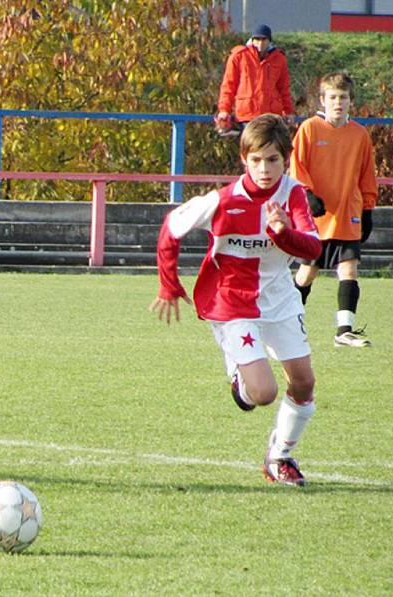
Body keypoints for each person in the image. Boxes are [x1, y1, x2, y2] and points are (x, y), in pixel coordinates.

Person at [149, 114, 322, 486]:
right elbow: (170, 228)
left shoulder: (292, 194)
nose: (264, 169)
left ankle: (280, 458)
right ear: (244, 159)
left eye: (273, 159)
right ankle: (239, 374)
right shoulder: (223, 201)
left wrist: (282, 234)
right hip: (231, 301)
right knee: (261, 393)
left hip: (279, 299)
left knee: (304, 383)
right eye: (256, 160)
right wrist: (168, 284)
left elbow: (313, 247)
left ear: (286, 159)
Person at [291, 73, 378, 348]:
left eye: (343, 97)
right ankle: (287, 324)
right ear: (322, 100)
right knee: (307, 273)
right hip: (317, 217)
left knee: (349, 269)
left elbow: (367, 174)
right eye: (333, 97)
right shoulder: (309, 129)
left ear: (351, 101)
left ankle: (344, 330)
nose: (338, 102)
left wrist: (367, 209)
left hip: (348, 213)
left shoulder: (360, 135)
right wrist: (307, 194)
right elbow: (297, 166)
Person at [215, 25, 296, 137]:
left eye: (264, 40)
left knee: (269, 150)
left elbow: (284, 88)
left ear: (269, 41)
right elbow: (229, 85)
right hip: (247, 114)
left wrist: (288, 111)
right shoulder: (239, 56)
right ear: (252, 40)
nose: (260, 43)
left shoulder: (279, 58)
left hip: (271, 115)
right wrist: (224, 110)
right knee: (250, 149)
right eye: (257, 39)